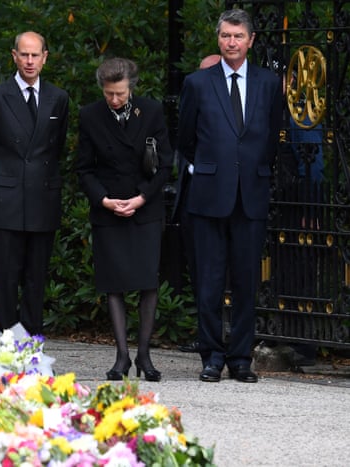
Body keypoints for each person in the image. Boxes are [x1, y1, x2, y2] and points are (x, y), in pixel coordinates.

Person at [177, 9, 283, 383]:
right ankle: (211, 356)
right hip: (208, 195)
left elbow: (273, 136)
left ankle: (240, 358)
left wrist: (251, 168)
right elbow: (185, 138)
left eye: (238, 36)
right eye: (225, 36)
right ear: (218, 39)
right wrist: (211, 167)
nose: (231, 42)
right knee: (208, 280)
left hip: (250, 194)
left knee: (244, 281)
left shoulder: (269, 83)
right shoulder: (198, 83)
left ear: (251, 40)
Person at [76, 57, 173, 381]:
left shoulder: (152, 111)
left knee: (147, 281)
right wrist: (104, 200)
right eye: (108, 94)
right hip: (108, 209)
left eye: (119, 93)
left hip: (144, 208)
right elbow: (84, 168)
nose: (114, 100)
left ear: (131, 87)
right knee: (113, 284)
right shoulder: (90, 116)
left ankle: (144, 354)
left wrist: (142, 197)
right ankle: (121, 357)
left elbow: (165, 164)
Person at [0, 31, 69, 336]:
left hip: (42, 198)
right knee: (5, 277)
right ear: (14, 55)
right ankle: (3, 341)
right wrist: (5, 180)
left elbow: (57, 149)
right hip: (6, 199)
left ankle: (32, 342)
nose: (29, 61)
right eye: (23, 55)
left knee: (36, 277)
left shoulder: (58, 98)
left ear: (45, 57)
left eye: (35, 55)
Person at [174, 54, 222, 354]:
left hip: (225, 201)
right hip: (193, 201)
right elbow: (184, 142)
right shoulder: (195, 108)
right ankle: (206, 336)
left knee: (220, 275)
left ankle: (219, 338)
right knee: (200, 273)